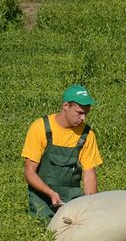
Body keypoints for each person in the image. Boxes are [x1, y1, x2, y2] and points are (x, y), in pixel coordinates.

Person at [24, 83, 102, 219]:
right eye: (80, 113)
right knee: (48, 230)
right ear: (66, 106)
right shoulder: (40, 128)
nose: (83, 118)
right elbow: (29, 172)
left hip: (70, 199)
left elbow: (89, 176)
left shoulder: (87, 135)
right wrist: (50, 193)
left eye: (86, 114)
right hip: (42, 197)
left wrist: (90, 206)